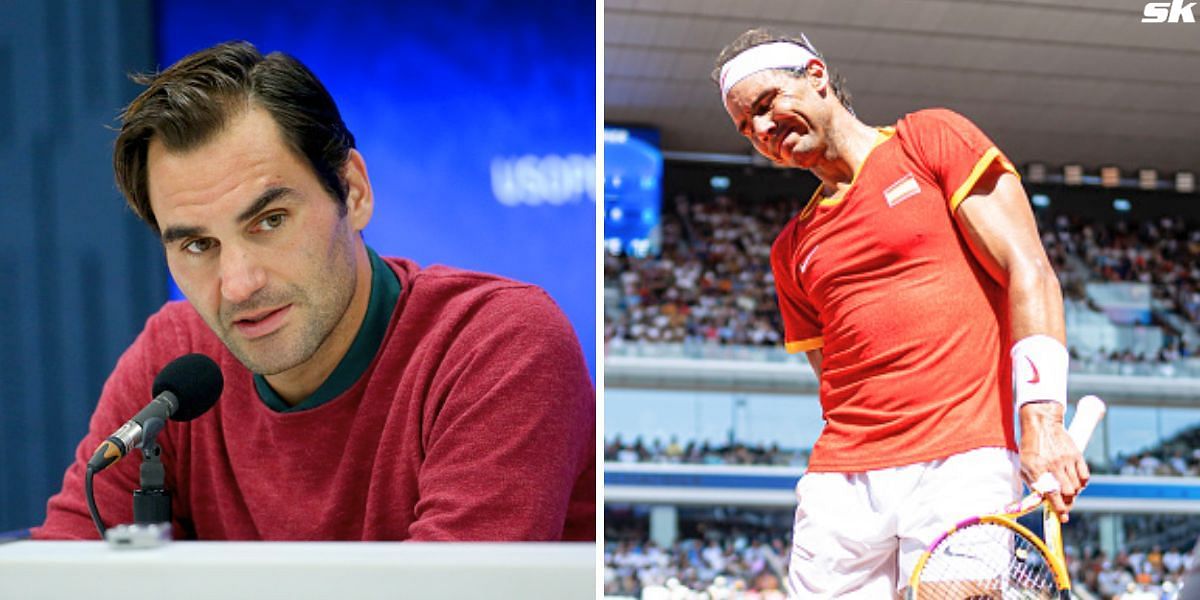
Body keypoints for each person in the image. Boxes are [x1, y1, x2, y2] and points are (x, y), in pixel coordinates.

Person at [34, 41, 594, 541]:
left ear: (352, 192)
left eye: (270, 221)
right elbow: (61, 574)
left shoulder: (498, 346)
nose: (239, 285)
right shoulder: (172, 362)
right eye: (198, 246)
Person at [713, 28, 1087, 596]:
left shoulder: (929, 138)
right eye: (747, 127)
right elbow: (830, 380)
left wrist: (1043, 422)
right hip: (840, 478)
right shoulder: (791, 249)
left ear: (815, 76)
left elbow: (1028, 268)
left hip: (961, 459)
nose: (763, 130)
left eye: (767, 106)